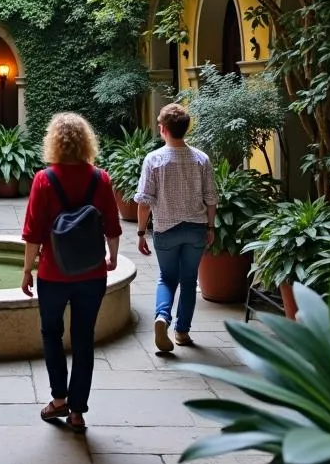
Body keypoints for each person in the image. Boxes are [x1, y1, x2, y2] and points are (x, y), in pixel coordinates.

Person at [21, 112, 122, 434]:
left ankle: (59, 399)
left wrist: (26, 270)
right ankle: (78, 411)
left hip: (53, 273)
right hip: (92, 274)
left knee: (51, 334)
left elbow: (33, 232)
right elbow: (112, 225)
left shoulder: (44, 179)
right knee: (83, 340)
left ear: (54, 142)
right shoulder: (101, 178)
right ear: (86, 141)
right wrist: (113, 257)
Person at [135, 102, 217, 353]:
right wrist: (211, 227)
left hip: (166, 229)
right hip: (195, 229)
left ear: (163, 129)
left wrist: (140, 233)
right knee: (189, 280)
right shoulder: (201, 158)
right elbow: (211, 198)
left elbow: (144, 201)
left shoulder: (154, 159)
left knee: (167, 278)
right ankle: (182, 332)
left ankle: (162, 318)